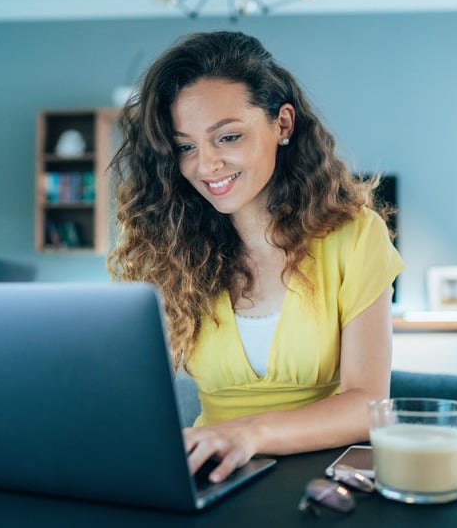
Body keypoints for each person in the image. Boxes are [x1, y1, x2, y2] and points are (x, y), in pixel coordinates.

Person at [107, 30, 403, 484]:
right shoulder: (171, 250)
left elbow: (367, 405)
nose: (205, 166)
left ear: (282, 124)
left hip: (327, 482)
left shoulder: (357, 237)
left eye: (227, 137)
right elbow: (125, 393)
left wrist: (249, 434)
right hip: (212, 478)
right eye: (186, 146)